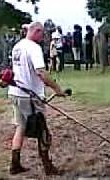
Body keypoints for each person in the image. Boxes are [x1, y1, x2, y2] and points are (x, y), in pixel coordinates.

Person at [8, 22, 65, 175]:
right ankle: (48, 167)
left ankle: (15, 164)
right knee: (43, 131)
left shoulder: (18, 46)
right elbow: (41, 73)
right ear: (37, 31)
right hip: (30, 96)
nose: (43, 37)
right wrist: (57, 89)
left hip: (15, 92)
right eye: (42, 34)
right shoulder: (34, 48)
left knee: (20, 127)